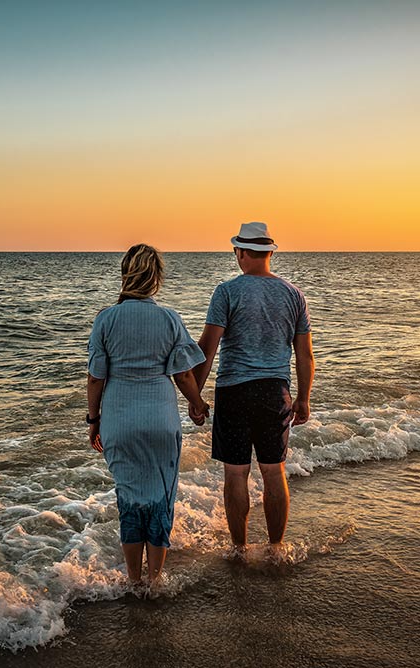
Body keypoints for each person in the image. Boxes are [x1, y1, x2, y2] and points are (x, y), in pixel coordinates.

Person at [87, 244, 210, 584]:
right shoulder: (169, 318)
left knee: (128, 499)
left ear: (125, 274)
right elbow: (183, 374)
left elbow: (96, 377)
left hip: (119, 420)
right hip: (160, 419)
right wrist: (198, 405)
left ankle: (132, 579)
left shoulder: (105, 319)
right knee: (161, 499)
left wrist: (93, 420)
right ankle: (155, 581)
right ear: (156, 278)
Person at [191, 222, 314, 558]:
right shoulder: (293, 294)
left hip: (234, 390)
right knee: (274, 471)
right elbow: (305, 354)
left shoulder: (227, 291)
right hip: (276, 391)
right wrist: (303, 398)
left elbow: (208, 347)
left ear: (241, 253)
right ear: (269, 253)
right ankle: (276, 548)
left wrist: (196, 396)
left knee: (236, 473)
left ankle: (240, 549)